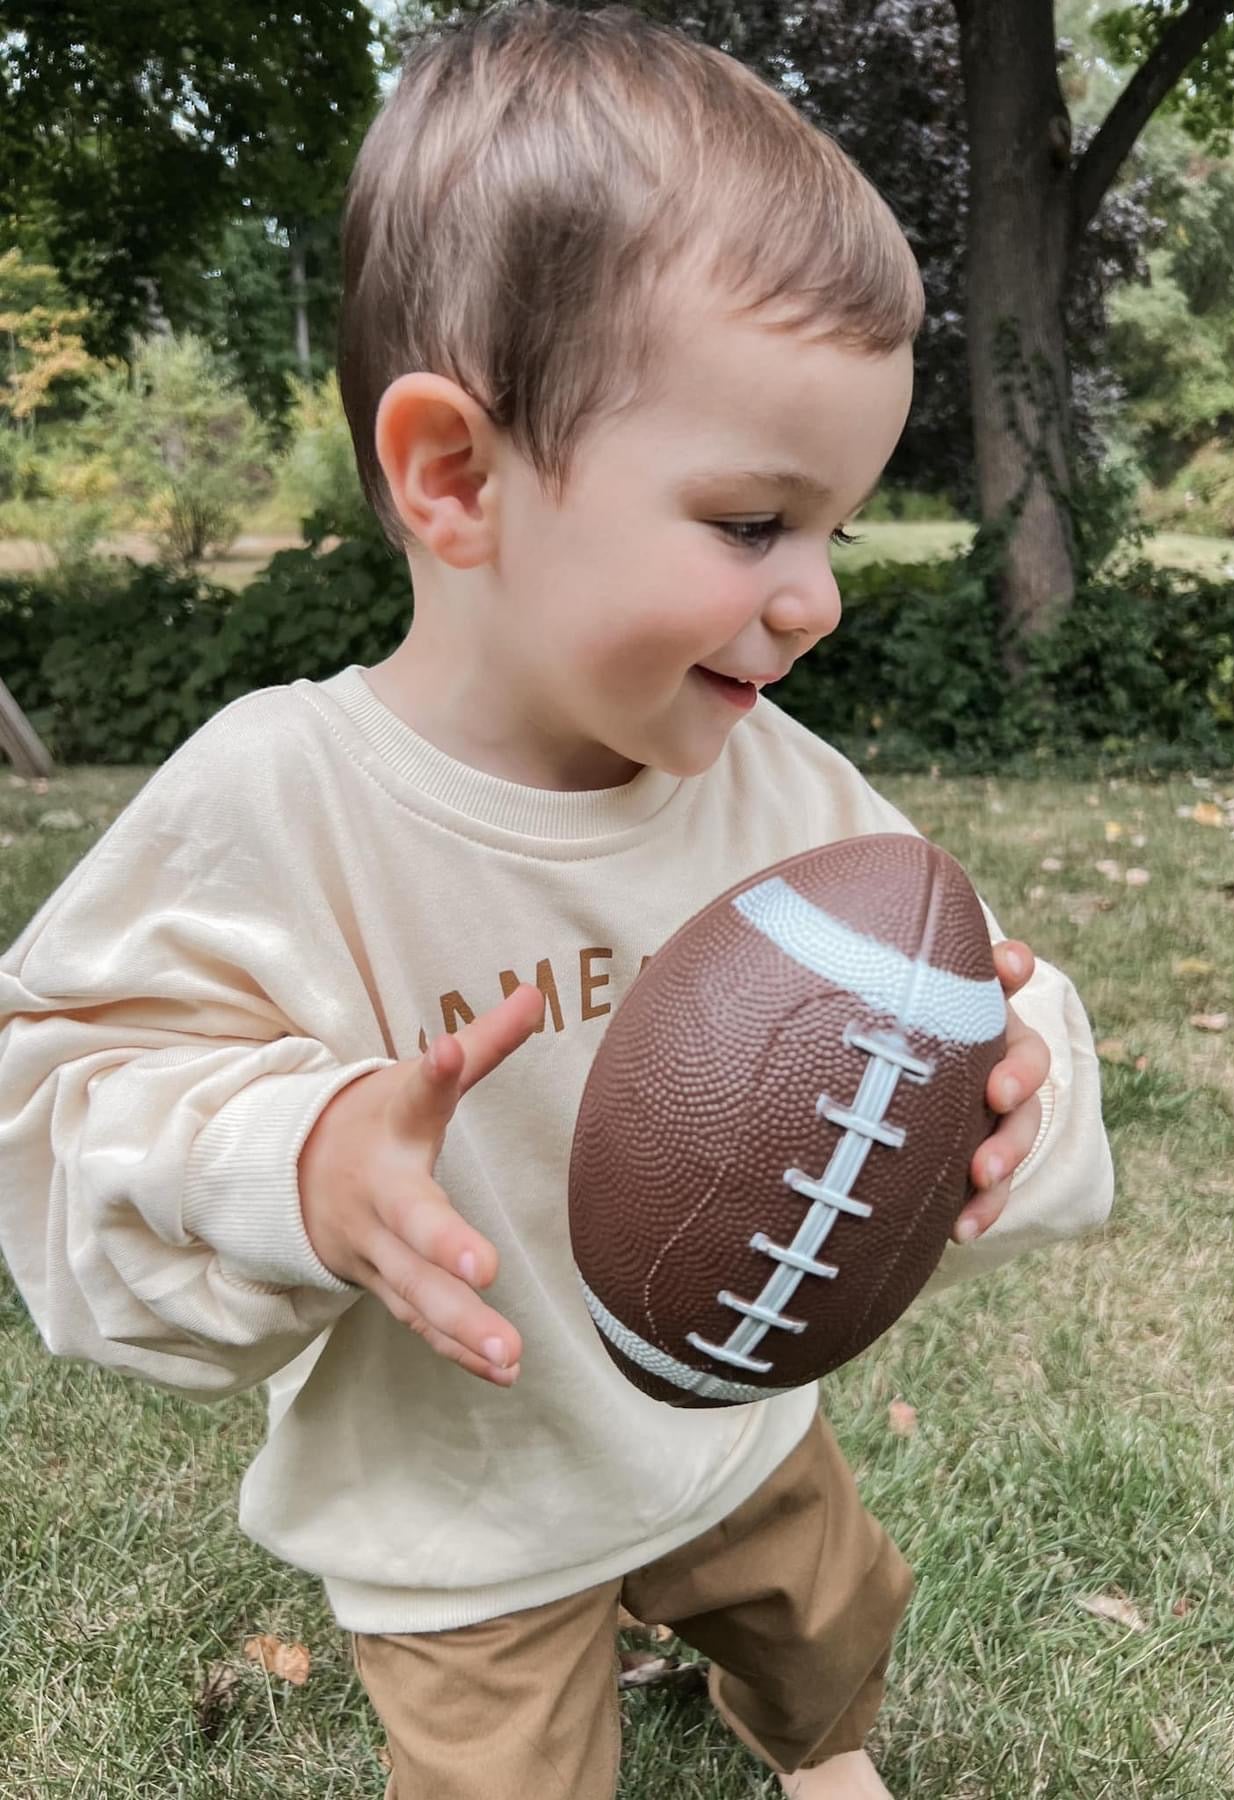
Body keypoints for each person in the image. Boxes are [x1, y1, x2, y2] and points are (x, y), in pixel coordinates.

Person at [0, 6, 1114, 1796]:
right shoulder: (279, 799)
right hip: (461, 1496)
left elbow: (971, 976)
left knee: (831, 1620)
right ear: (456, 476)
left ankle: (818, 1753)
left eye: (835, 526)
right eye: (753, 522)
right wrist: (288, 1162)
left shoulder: (774, 785)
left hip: (726, 1417)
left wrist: (1017, 1079)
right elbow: (61, 1108)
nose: (815, 595)